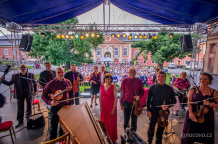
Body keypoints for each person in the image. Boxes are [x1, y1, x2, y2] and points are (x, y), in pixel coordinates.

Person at [181, 73, 218, 144]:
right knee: (190, 133)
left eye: (205, 79)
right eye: (200, 78)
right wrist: (191, 112)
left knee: (205, 133)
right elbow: (189, 102)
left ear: (209, 81)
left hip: (207, 115)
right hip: (193, 114)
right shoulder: (193, 89)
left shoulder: (214, 92)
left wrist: (210, 104)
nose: (202, 80)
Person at [41, 67, 74, 140]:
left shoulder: (68, 82)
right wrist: (50, 102)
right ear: (56, 73)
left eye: (62, 72)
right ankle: (53, 141)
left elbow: (72, 93)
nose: (61, 74)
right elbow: (43, 95)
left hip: (66, 107)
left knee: (64, 127)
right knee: (54, 126)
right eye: (59, 72)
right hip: (55, 107)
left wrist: (72, 104)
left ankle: (61, 140)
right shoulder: (51, 83)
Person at [1, 64, 37, 128]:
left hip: (28, 92)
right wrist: (2, 80)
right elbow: (9, 83)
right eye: (22, 67)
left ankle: (28, 117)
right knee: (20, 107)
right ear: (19, 68)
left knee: (29, 105)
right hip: (20, 93)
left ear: (26, 68)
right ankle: (20, 120)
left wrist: (35, 91)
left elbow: (34, 83)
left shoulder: (31, 75)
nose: (23, 68)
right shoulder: (15, 76)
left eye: (24, 67)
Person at [146, 71, 177, 144]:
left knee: (161, 128)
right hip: (153, 110)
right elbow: (148, 100)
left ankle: (158, 142)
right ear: (156, 78)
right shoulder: (152, 87)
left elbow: (174, 101)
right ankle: (149, 141)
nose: (160, 78)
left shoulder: (169, 88)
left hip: (164, 112)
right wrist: (148, 110)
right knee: (151, 127)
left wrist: (168, 106)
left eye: (162, 76)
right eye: (159, 76)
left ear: (165, 78)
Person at [120, 67, 144, 132]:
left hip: (136, 103)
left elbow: (142, 91)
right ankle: (126, 131)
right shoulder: (124, 81)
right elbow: (122, 92)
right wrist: (121, 103)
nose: (132, 73)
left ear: (135, 73)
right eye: (130, 71)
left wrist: (139, 96)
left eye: (133, 72)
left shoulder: (139, 81)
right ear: (128, 72)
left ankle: (133, 133)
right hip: (127, 102)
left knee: (134, 118)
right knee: (126, 118)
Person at [99, 73, 118, 142]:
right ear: (104, 79)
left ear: (111, 79)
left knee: (111, 123)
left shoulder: (113, 87)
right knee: (103, 122)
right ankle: (104, 137)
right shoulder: (101, 86)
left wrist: (113, 109)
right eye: (106, 78)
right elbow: (100, 97)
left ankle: (112, 138)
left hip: (111, 107)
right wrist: (100, 106)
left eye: (109, 79)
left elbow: (116, 98)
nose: (108, 80)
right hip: (104, 107)